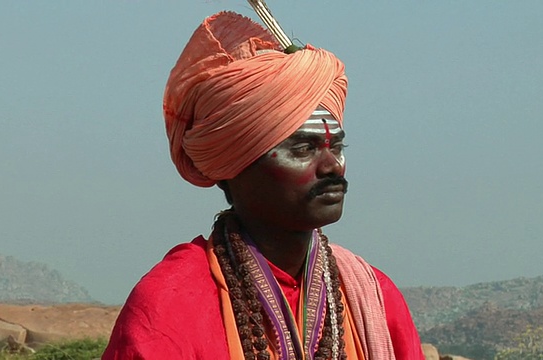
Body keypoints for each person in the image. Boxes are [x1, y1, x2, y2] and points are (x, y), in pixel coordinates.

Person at [103, 9, 423, 360]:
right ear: (235, 164)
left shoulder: (374, 296)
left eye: (337, 147)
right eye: (304, 149)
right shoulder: (171, 305)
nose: (333, 166)